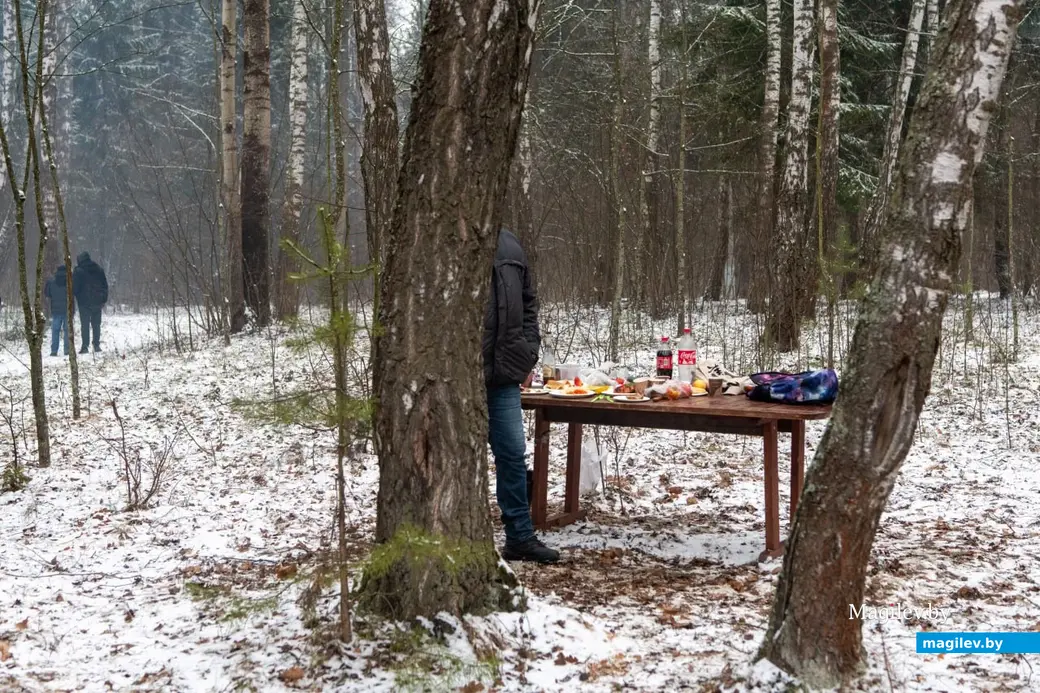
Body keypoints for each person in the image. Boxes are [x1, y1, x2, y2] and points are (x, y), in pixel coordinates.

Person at [482, 228, 559, 564]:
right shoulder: (442, 234)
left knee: (513, 454)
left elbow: (529, 303)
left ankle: (520, 537)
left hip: (503, 375)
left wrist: (526, 351)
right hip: (456, 373)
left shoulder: (510, 243)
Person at [72, 251, 108, 353]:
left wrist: (77, 296)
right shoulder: (99, 269)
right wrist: (103, 299)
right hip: (97, 301)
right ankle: (96, 345)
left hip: (84, 302)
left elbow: (75, 288)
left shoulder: (78, 271)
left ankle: (85, 346)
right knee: (96, 324)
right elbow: (105, 285)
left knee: (85, 325)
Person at [44, 265, 72, 356]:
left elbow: (47, 294)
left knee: (55, 331)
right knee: (67, 330)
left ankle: (54, 350)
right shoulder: (69, 282)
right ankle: (67, 350)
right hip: (67, 309)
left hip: (55, 309)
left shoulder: (51, 282)